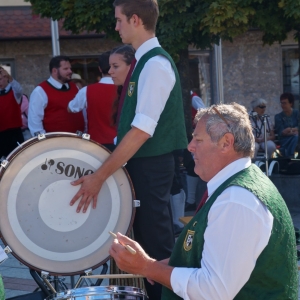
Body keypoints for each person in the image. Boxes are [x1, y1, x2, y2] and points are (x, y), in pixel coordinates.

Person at [109, 102, 298, 300]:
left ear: (226, 142)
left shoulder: (236, 200)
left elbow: (213, 291)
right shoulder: (239, 187)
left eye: (198, 140)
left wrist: (146, 267)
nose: (190, 147)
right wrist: (165, 264)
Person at [69, 1, 187, 298]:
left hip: (152, 165)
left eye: (119, 20)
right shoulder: (143, 62)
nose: (116, 26)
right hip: (143, 165)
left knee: (155, 244)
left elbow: (142, 132)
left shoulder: (156, 64)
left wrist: (99, 177)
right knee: (143, 244)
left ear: (135, 20)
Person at [68, 51, 118, 152]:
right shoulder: (126, 90)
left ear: (99, 69)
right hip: (121, 143)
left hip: (96, 143)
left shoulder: (87, 91)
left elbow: (71, 108)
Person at [28, 55, 84, 136]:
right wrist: (44, 142)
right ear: (54, 71)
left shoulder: (74, 87)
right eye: (66, 69)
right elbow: (34, 121)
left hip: (77, 141)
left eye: (70, 68)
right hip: (55, 144)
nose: (70, 71)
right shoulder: (40, 91)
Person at [0, 67, 24, 158]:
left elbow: (19, 90)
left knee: (17, 158)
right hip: (1, 134)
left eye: (0, 79)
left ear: (6, 78)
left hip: (14, 133)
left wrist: (10, 77)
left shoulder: (14, 92)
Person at [274, 93, 299, 158]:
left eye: (285, 103)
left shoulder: (297, 113)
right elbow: (282, 132)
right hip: (285, 140)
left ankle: (290, 156)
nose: (282, 105)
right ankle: (291, 156)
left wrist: (290, 130)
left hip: (296, 138)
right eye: (281, 103)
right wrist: (294, 132)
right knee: (296, 137)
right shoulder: (278, 117)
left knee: (296, 137)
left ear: (291, 103)